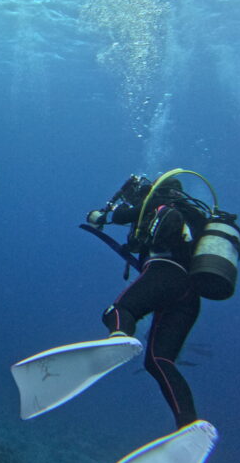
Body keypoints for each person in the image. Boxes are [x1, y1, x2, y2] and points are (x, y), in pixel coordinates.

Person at [86, 174, 210, 429]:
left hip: (165, 273)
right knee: (159, 360)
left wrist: (104, 214)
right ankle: (189, 425)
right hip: (190, 293)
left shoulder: (155, 203)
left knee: (118, 311)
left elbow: (119, 217)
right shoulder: (195, 217)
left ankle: (120, 336)